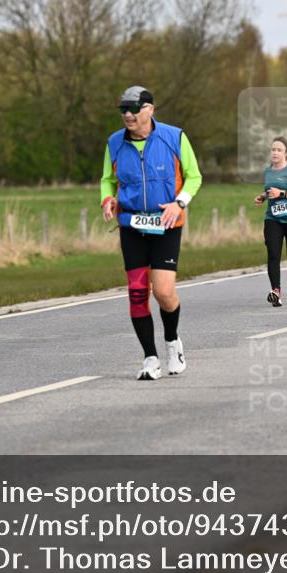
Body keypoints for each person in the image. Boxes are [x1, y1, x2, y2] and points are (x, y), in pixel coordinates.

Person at [101, 86, 203, 380]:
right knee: (136, 294)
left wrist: (179, 203)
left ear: (150, 109)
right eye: (123, 110)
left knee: (163, 291)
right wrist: (107, 199)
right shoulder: (114, 143)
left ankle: (172, 342)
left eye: (133, 109)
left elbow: (194, 176)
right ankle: (150, 358)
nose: (128, 115)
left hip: (167, 224)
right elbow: (107, 180)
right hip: (131, 225)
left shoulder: (174, 137)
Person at [254, 137, 287, 306]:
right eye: (273, 149)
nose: (275, 153)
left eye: (279, 150)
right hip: (273, 218)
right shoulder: (268, 171)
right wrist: (262, 197)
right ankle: (275, 291)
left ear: (286, 153)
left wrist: (282, 194)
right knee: (273, 254)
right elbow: (270, 191)